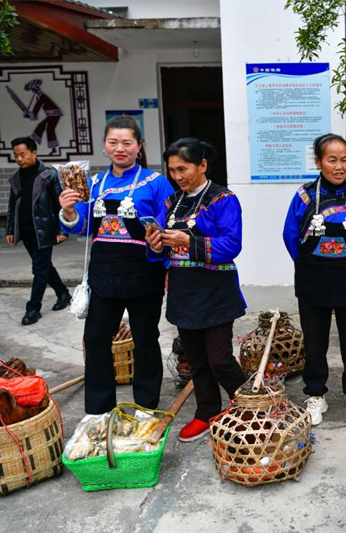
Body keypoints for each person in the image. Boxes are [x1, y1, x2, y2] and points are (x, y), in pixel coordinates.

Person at [59, 115, 174, 414]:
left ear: (139, 146)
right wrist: (69, 211)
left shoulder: (156, 183)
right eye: (113, 142)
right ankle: (99, 410)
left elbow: (167, 226)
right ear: (105, 146)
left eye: (127, 142)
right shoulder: (93, 183)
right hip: (104, 275)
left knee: (146, 339)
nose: (119, 148)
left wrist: (163, 251)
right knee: (95, 339)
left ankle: (146, 407)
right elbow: (83, 226)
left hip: (143, 274)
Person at [146, 138, 247, 442]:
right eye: (172, 170)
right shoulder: (171, 202)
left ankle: (249, 404)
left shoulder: (224, 199)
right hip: (183, 289)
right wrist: (155, 245)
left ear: (202, 165)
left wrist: (188, 242)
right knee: (196, 359)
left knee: (220, 359)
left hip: (215, 289)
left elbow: (232, 245)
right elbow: (161, 252)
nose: (177, 176)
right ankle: (206, 411)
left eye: (183, 168)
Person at [282, 134, 346, 426]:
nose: (339, 166)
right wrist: (312, 264)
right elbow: (290, 236)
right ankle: (315, 394)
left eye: (344, 159)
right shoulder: (304, 196)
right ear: (318, 162)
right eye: (332, 159)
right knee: (315, 340)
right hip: (313, 278)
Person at [5, 137, 71, 325]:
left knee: (39, 269)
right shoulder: (17, 177)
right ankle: (63, 294)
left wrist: (63, 230)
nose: (19, 159)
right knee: (43, 266)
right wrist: (10, 229)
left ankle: (33, 309)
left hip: (44, 229)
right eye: (16, 155)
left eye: (22, 154)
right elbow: (12, 206)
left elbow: (61, 203)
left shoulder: (48, 174)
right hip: (26, 230)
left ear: (34, 153)